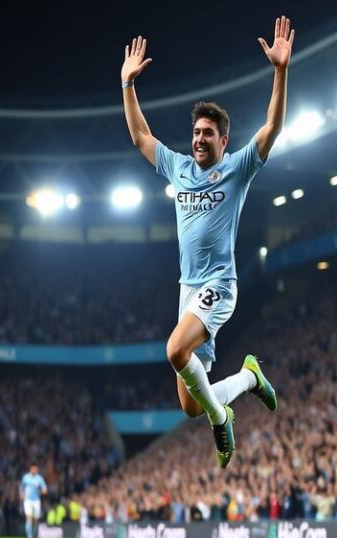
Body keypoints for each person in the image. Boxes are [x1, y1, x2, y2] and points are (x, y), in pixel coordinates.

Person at [120, 16, 295, 467]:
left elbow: (272, 128)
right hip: (187, 289)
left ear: (223, 139)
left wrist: (280, 70)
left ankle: (223, 423)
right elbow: (140, 136)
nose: (198, 139)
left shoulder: (238, 168)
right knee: (191, 406)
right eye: (195, 132)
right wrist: (128, 86)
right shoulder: (177, 168)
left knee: (175, 350)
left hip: (219, 284)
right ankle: (249, 381)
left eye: (207, 134)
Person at [20, 464, 47, 538]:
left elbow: (45, 489)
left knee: (35, 520)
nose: (34, 470)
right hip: (28, 500)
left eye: (36, 469)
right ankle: (29, 536)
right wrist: (21, 494)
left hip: (36, 501)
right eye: (33, 469)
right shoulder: (26, 477)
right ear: (30, 469)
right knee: (28, 518)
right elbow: (21, 487)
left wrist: (41, 492)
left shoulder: (39, 478)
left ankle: (33, 534)